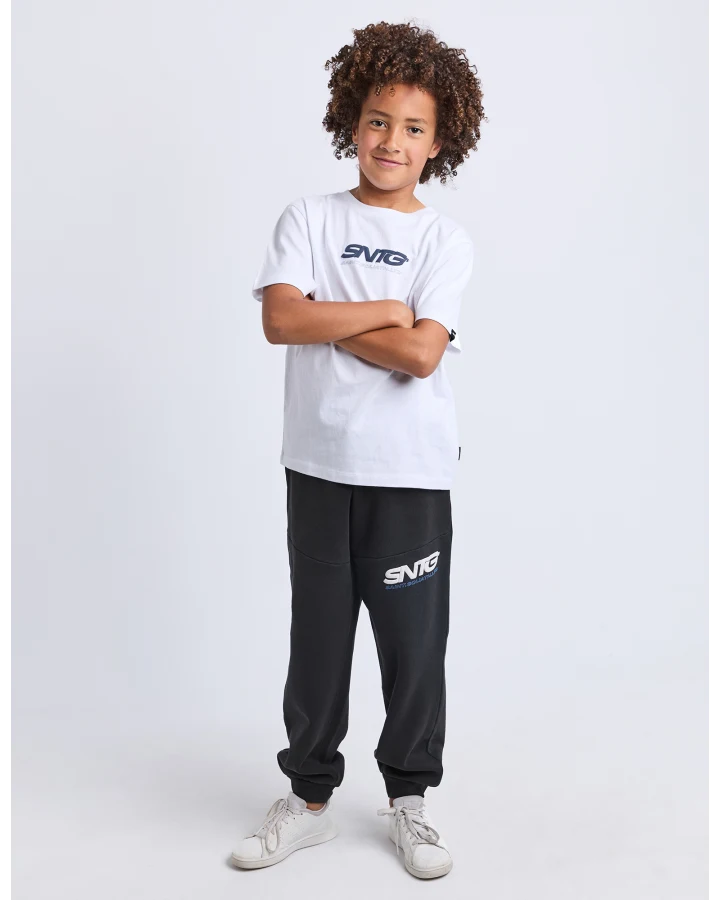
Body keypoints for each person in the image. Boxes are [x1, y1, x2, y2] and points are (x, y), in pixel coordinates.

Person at [231, 20, 485, 880]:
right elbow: (280, 319)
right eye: (378, 120)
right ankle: (307, 802)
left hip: (409, 471)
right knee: (317, 641)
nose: (391, 141)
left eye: (413, 128)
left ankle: (409, 801)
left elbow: (422, 356)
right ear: (353, 121)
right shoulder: (308, 217)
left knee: (413, 647)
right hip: (317, 467)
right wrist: (383, 309)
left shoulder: (445, 241)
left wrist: (330, 315)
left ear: (438, 142)